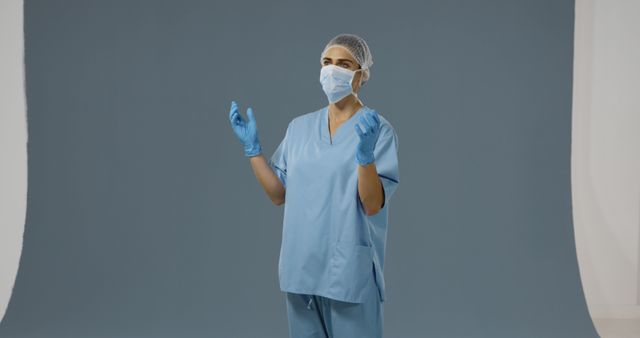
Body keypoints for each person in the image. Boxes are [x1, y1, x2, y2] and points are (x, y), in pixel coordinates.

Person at [228, 33, 399, 338]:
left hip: (347, 273)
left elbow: (372, 204)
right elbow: (279, 194)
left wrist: (365, 157)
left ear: (361, 74)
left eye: (344, 64)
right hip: (302, 269)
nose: (333, 71)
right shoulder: (299, 128)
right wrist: (254, 152)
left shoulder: (377, 130)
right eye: (327, 63)